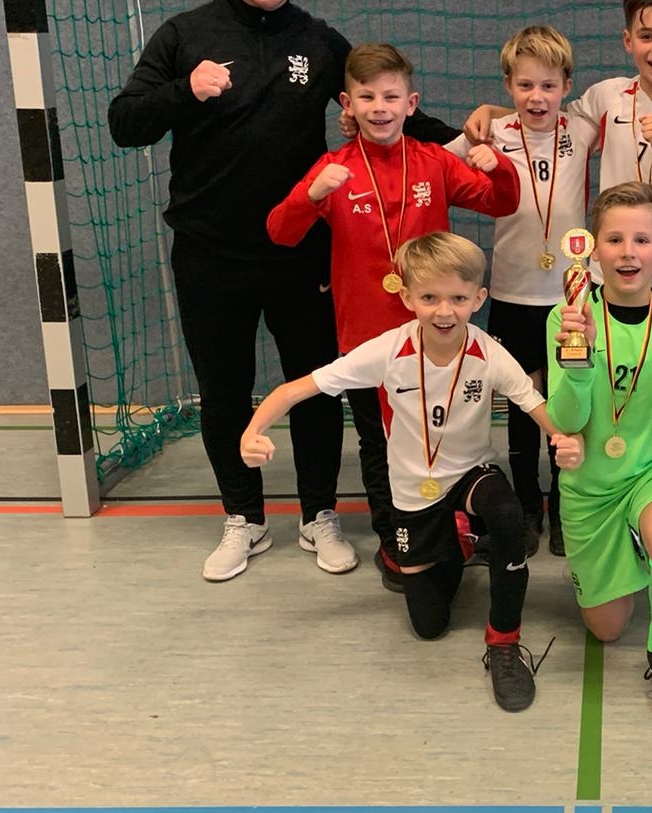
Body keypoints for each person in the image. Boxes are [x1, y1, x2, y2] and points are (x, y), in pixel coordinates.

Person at [108, 0, 458, 583]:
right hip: (210, 254)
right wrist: (184, 91)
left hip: (302, 254)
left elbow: (390, 108)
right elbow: (125, 122)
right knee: (225, 391)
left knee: (316, 388)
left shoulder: (318, 42)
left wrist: (475, 139)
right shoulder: (184, 35)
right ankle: (243, 518)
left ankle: (318, 514)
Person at [240, 233, 582, 712]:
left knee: (507, 514)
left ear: (479, 298)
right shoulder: (387, 349)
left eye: (458, 298)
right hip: (413, 491)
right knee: (429, 625)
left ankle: (504, 643)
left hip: (471, 474)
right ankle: (458, 540)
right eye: (429, 298)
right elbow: (296, 389)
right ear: (406, 297)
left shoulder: (488, 353)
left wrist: (563, 439)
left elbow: (533, 403)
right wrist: (253, 430)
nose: (444, 311)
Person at [266, 44, 521, 592]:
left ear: (411, 102)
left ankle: (454, 524)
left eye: (390, 96)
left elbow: (501, 203)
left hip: (439, 335)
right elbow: (280, 232)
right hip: (367, 338)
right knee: (379, 442)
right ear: (347, 104)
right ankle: (394, 538)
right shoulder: (333, 169)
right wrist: (310, 196)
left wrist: (499, 168)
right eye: (367, 97)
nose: (379, 107)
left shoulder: (433, 161)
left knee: (447, 433)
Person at [546, 183, 652, 724]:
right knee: (606, 629)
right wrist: (577, 363)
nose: (628, 252)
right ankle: (643, 550)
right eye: (614, 239)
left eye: (642, 240)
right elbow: (567, 420)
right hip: (592, 484)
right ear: (593, 248)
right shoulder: (568, 316)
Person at [445, 26, 594, 559]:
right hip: (512, 294)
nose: (537, 97)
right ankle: (529, 505)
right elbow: (431, 161)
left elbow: (641, 105)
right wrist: (484, 117)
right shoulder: (491, 131)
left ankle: (567, 504)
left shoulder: (585, 126)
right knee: (523, 405)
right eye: (525, 85)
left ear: (567, 86)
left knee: (568, 404)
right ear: (508, 84)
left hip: (571, 298)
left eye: (549, 86)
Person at [464, 0, 652, 295]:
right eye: (646, 36)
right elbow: (548, 119)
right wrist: (491, 111)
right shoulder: (607, 95)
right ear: (628, 41)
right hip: (605, 274)